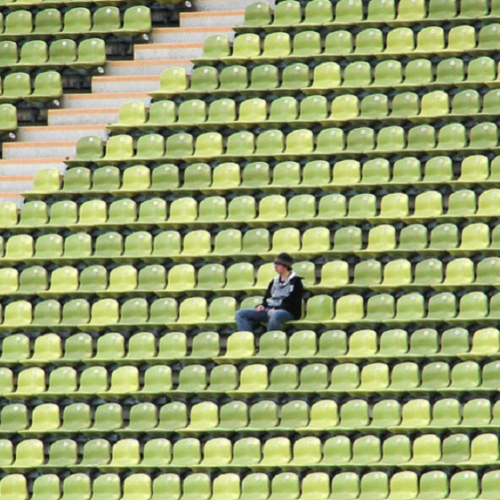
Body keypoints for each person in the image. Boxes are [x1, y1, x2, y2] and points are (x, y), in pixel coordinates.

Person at [236, 252, 304, 332]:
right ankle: (247, 338)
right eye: (274, 265)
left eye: (277, 265)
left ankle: (272, 339)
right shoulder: (274, 281)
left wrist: (277, 308)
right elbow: (268, 297)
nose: (275, 267)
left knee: (275, 315)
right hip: (270, 309)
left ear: (285, 266)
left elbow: (293, 302)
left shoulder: (296, 282)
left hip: (287, 311)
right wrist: (262, 305)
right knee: (240, 314)